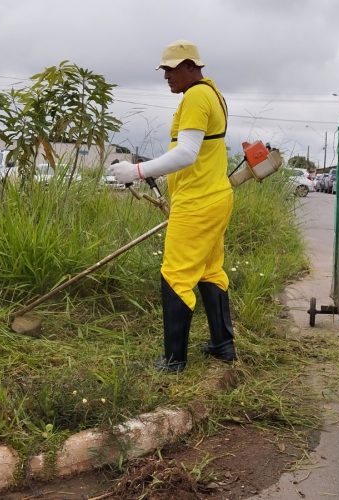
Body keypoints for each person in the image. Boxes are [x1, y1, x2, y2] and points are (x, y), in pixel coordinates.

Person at [108, 40, 236, 373]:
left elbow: (187, 153)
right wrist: (157, 171)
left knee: (176, 275)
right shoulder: (213, 94)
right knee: (210, 271)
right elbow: (195, 152)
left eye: (172, 69)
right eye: (164, 70)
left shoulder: (195, 97)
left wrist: (137, 171)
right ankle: (223, 346)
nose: (166, 76)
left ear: (191, 67)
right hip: (215, 198)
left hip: (197, 204)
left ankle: (174, 360)